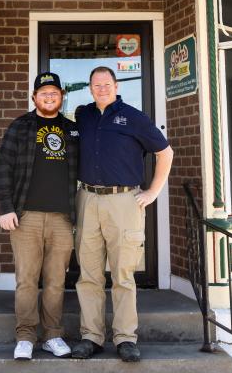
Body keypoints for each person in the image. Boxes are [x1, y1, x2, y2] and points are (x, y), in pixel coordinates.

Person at [71, 66, 173, 363]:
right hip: (87, 198)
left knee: (123, 274)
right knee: (88, 274)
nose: (101, 88)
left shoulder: (135, 117)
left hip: (123, 201)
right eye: (96, 84)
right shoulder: (83, 115)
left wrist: (153, 192)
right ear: (90, 88)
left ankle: (125, 338)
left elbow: (165, 153)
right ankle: (91, 336)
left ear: (115, 86)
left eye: (106, 84)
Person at [0, 71, 79, 361]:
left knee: (56, 281)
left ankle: (53, 335)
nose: (49, 96)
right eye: (43, 92)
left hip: (62, 218)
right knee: (27, 280)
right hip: (26, 216)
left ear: (61, 97)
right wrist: (6, 207)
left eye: (54, 92)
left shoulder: (72, 130)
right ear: (34, 97)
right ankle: (26, 337)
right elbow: (3, 168)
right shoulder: (20, 127)